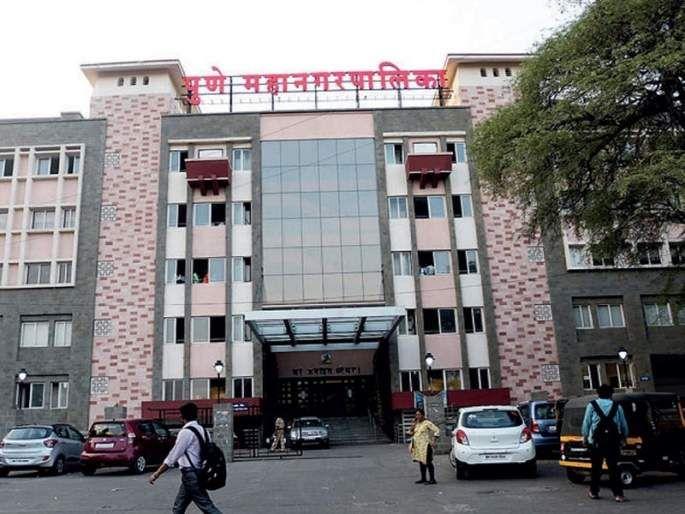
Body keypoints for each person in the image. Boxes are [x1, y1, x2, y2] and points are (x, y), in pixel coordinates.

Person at [149, 402, 222, 514]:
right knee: (178, 508)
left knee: (207, 506)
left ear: (182, 417)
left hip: (190, 474)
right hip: (199, 472)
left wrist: (157, 473)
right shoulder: (204, 431)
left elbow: (173, 456)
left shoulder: (186, 433)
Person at [581, 384, 629, 503]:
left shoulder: (592, 405)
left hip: (596, 442)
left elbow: (586, 423)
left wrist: (585, 437)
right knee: (614, 468)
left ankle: (594, 492)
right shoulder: (617, 406)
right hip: (613, 442)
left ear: (598, 394)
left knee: (596, 468)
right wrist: (624, 438)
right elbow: (623, 425)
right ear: (610, 394)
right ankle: (618, 495)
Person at [409, 408, 440, 484]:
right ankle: (423, 478)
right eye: (416, 415)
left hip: (426, 446)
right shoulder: (416, 424)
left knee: (428, 462)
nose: (417, 416)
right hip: (418, 447)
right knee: (421, 462)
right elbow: (410, 433)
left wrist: (434, 440)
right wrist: (412, 427)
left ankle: (432, 479)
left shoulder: (427, 423)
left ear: (423, 415)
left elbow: (437, 430)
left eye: (419, 414)